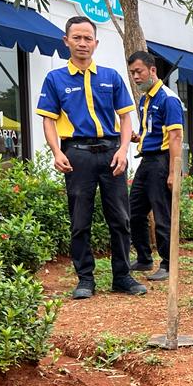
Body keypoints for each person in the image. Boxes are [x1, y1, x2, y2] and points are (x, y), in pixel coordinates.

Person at [36, 16, 145, 299]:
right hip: (77, 155)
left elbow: (125, 117)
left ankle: (122, 276)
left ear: (96, 43)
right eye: (77, 38)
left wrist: (123, 150)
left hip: (111, 154)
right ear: (66, 41)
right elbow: (48, 121)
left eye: (88, 38)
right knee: (80, 220)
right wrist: (56, 151)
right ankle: (85, 278)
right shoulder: (55, 79)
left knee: (120, 218)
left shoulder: (111, 77)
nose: (83, 43)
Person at [125, 51, 184, 282]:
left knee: (163, 215)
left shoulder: (168, 99)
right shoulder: (145, 99)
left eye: (139, 71)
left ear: (152, 70)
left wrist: (173, 172)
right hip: (146, 161)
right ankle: (144, 257)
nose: (135, 77)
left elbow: (176, 137)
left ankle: (169, 264)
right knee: (134, 211)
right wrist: (139, 137)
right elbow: (154, 131)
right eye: (132, 73)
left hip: (161, 162)